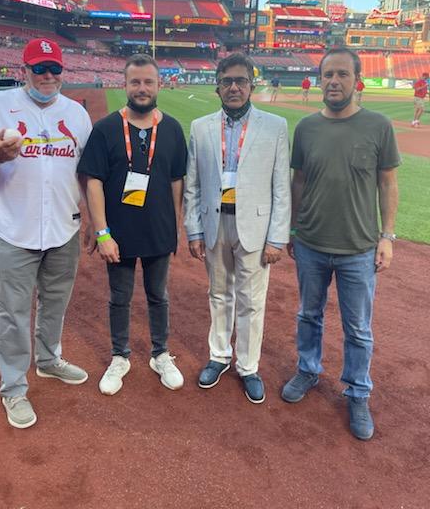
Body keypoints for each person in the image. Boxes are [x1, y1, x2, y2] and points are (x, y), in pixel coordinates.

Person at [0, 38, 93, 429]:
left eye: (54, 69)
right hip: (16, 229)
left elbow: (86, 174)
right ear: (24, 71)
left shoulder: (77, 115)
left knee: (55, 302)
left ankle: (48, 361)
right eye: (39, 69)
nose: (48, 76)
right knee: (13, 314)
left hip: (63, 227)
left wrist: (94, 223)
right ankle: (14, 387)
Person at [281, 47, 400, 441]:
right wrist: (295, 230)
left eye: (342, 75)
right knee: (308, 315)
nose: (333, 81)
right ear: (320, 79)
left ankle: (357, 391)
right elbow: (298, 182)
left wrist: (388, 236)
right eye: (327, 74)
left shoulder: (378, 126)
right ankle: (308, 370)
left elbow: (388, 182)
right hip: (312, 242)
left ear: (356, 79)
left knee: (358, 329)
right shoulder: (307, 128)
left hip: (359, 246)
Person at [77, 53, 187, 396]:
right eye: (135, 82)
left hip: (158, 230)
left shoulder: (171, 129)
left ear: (159, 85)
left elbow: (176, 181)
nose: (141, 88)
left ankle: (159, 354)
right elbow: (92, 180)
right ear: (124, 85)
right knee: (120, 298)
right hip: (118, 234)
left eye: (148, 82)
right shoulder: (107, 128)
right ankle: (120, 356)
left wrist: (175, 225)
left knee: (159, 296)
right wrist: (102, 232)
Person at [184, 52, 291, 404]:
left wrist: (277, 237)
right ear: (217, 86)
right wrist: (194, 230)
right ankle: (219, 355)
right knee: (218, 294)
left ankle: (248, 365)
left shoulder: (275, 126)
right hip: (216, 224)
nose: (234, 87)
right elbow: (193, 185)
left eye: (241, 81)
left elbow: (281, 187)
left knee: (251, 300)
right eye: (227, 80)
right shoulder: (200, 127)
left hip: (255, 228)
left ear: (251, 85)